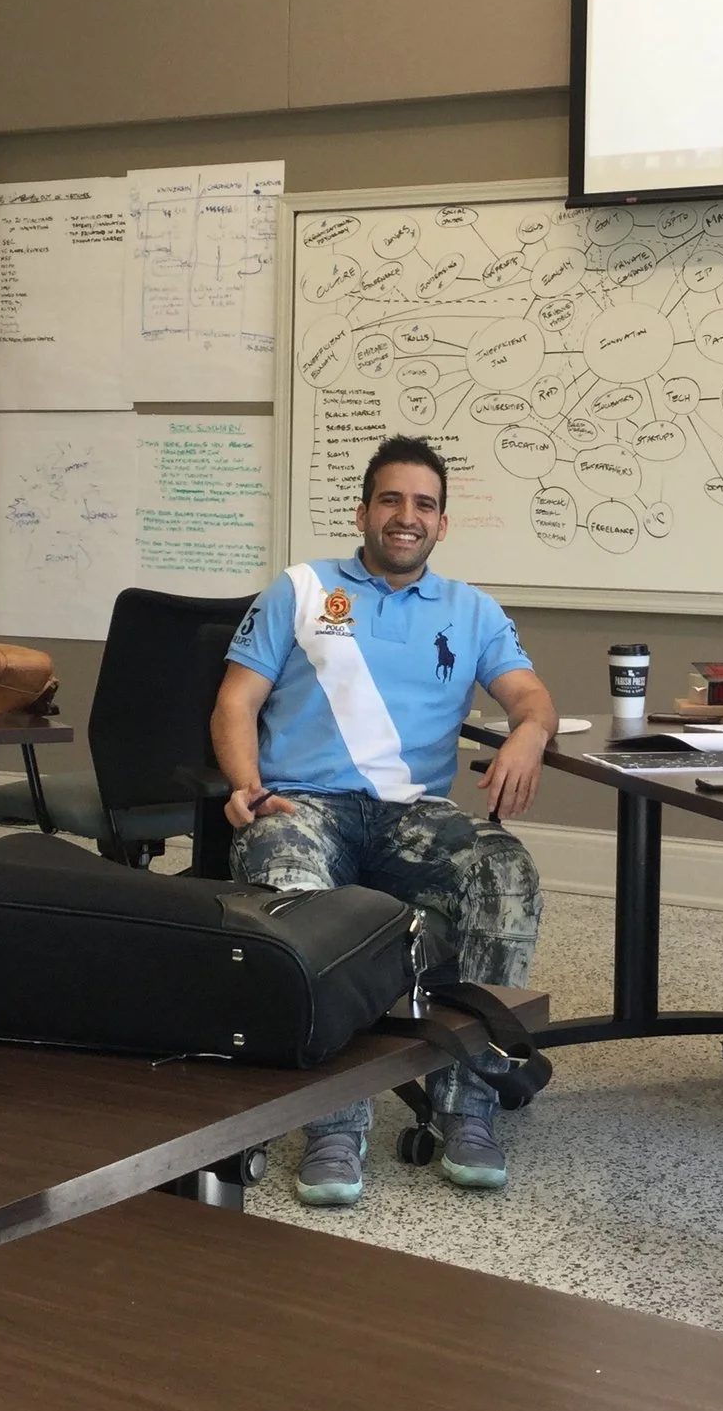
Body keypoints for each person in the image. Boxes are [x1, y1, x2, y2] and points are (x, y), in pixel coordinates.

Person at [213, 434, 557, 1207]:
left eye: (424, 504)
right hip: (309, 803)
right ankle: (333, 1121)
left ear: (443, 523)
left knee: (505, 867)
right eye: (392, 500)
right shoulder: (300, 589)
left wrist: (530, 733)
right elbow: (236, 701)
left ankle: (469, 1101)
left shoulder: (472, 610)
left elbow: (531, 699)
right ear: (364, 510)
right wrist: (246, 784)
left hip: (413, 816)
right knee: (293, 881)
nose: (407, 516)